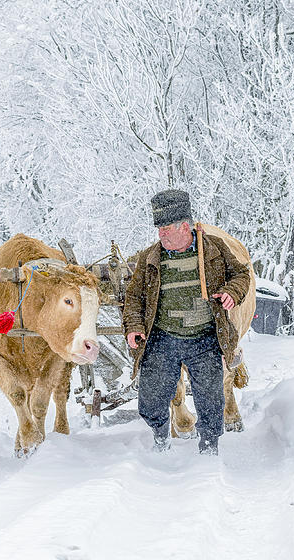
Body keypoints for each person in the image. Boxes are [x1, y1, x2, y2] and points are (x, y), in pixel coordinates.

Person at [123, 189, 250, 455]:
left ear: (184, 226)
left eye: (166, 227)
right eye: (159, 228)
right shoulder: (150, 258)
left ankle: (209, 448)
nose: (161, 234)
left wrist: (232, 292)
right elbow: (134, 296)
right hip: (162, 337)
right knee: (151, 397)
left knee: (210, 399)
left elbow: (241, 274)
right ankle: (160, 437)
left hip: (204, 337)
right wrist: (134, 326)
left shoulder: (213, 249)